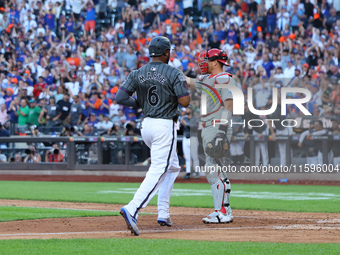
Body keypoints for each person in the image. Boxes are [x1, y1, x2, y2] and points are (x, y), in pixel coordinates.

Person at [116, 36, 190, 236]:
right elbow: (184, 101)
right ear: (166, 52)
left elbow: (120, 97)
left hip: (146, 125)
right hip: (164, 124)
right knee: (160, 167)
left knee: (173, 166)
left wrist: (139, 103)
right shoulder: (174, 72)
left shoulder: (137, 72)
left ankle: (163, 212)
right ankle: (133, 208)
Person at [185, 48, 235, 224]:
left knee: (212, 168)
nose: (203, 63)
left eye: (206, 60)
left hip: (217, 126)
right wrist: (170, 72)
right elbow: (189, 82)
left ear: (215, 62)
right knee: (217, 168)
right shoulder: (209, 80)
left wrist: (222, 132)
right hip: (208, 127)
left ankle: (221, 211)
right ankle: (225, 209)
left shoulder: (225, 78)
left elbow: (229, 106)